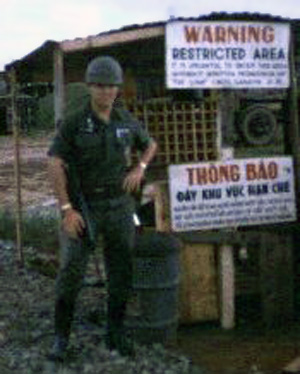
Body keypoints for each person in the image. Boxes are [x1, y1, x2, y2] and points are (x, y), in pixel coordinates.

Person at [47, 55, 157, 360]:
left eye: (112, 86)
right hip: (85, 207)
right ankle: (60, 339)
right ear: (90, 87)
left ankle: (115, 333)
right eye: (100, 86)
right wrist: (67, 209)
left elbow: (150, 144)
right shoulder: (74, 122)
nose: (107, 92)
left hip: (120, 207)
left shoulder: (125, 120)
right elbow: (54, 163)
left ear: (117, 89)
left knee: (121, 271)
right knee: (71, 272)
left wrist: (140, 168)